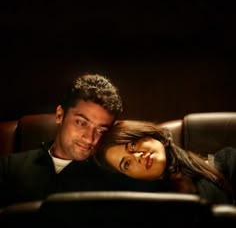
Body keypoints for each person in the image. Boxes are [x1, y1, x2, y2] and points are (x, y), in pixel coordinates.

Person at [0, 73, 123, 207]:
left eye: (101, 130)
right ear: (60, 115)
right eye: (81, 123)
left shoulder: (108, 181)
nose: (90, 139)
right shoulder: (9, 167)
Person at [94, 119, 236, 204]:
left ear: (147, 134)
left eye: (132, 145)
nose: (137, 156)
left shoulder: (227, 161)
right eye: (126, 164)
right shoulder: (151, 215)